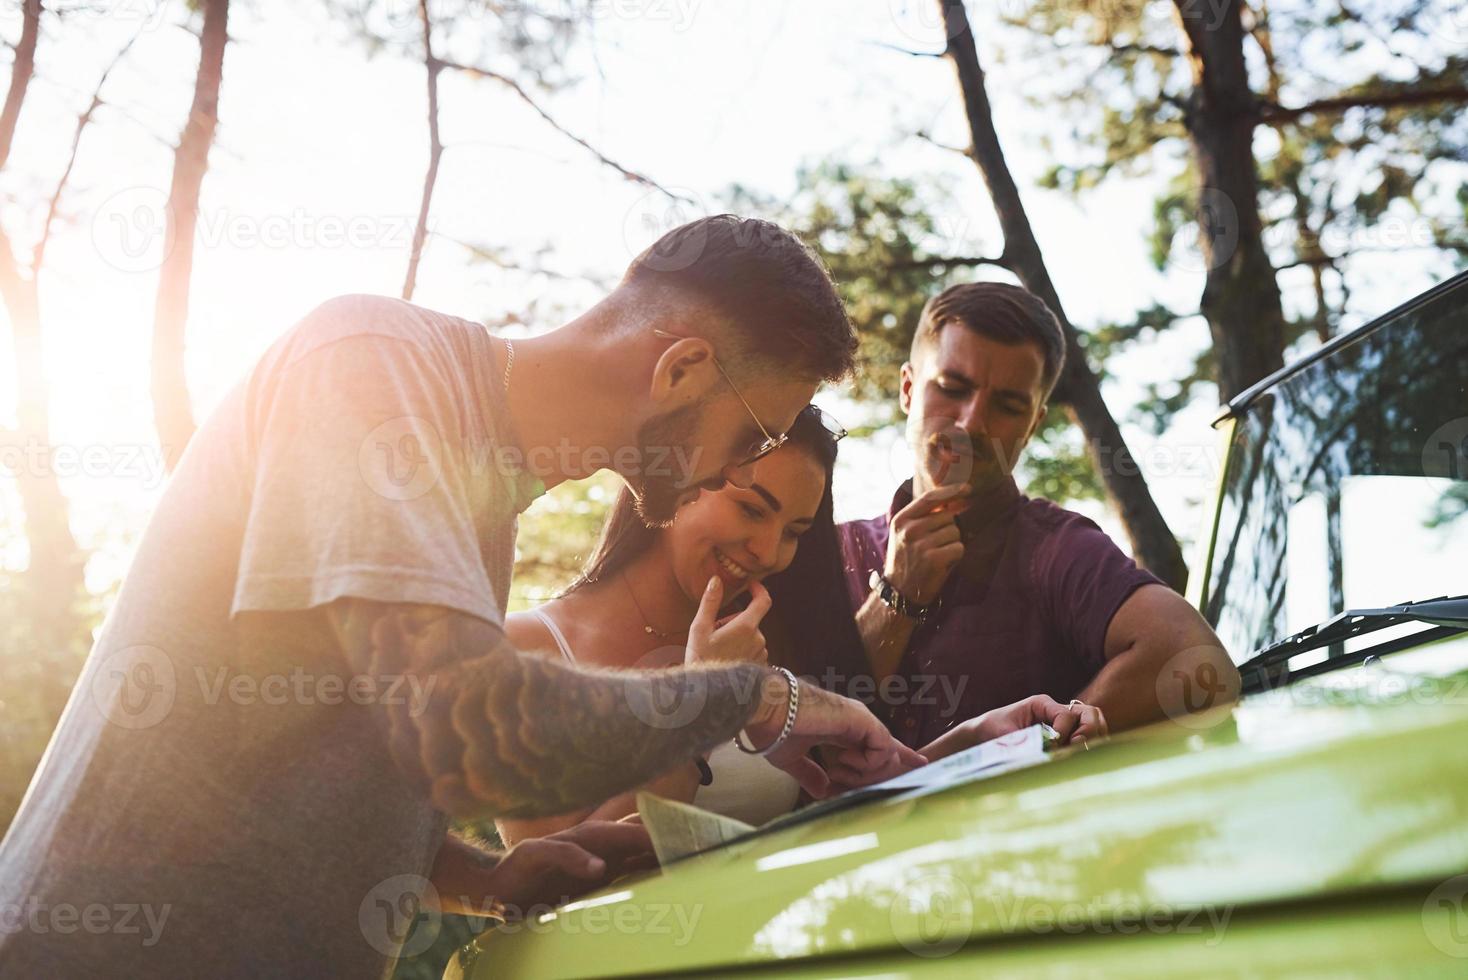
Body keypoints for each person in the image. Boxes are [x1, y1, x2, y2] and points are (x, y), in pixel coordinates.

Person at [0, 215, 924, 978]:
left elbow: (330, 752)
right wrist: (757, 696)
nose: (735, 467)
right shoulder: (371, 363)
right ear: (679, 370)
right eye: (754, 431)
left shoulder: (479, 496)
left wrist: (486, 877)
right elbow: (472, 724)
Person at [498, 406, 1109, 846]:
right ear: (681, 481)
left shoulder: (763, 644)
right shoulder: (524, 650)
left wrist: (989, 739)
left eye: (794, 532)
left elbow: (839, 810)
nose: (767, 551)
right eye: (750, 509)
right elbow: (553, 884)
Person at [840, 281, 1240, 752]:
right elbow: (787, 744)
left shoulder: (1058, 550)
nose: (972, 423)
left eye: (1008, 407)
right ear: (908, 389)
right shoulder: (826, 551)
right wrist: (895, 595)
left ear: (1032, 425)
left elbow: (1199, 663)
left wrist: (1040, 741)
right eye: (952, 388)